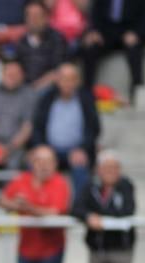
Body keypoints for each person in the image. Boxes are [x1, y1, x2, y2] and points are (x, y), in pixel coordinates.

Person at [30, 61, 99, 196]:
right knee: (36, 163)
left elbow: (94, 129)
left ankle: (79, 207)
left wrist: (83, 148)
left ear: (77, 81)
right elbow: (37, 126)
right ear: (57, 80)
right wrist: (41, 147)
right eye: (64, 79)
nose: (67, 83)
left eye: (71, 79)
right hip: (49, 149)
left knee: (80, 167)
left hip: (76, 150)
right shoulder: (47, 99)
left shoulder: (86, 99)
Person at [80, 0, 145, 103]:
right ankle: (87, 91)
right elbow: (95, 13)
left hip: (132, 31)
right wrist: (94, 31)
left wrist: (138, 33)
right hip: (106, 32)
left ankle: (137, 89)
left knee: (134, 51)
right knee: (90, 49)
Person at [14, 0, 68, 89]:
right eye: (29, 16)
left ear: (46, 18)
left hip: (50, 89)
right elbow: (17, 67)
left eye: (36, 16)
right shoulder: (21, 42)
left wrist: (36, 87)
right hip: (24, 90)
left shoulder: (57, 39)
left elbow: (58, 70)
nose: (33, 20)